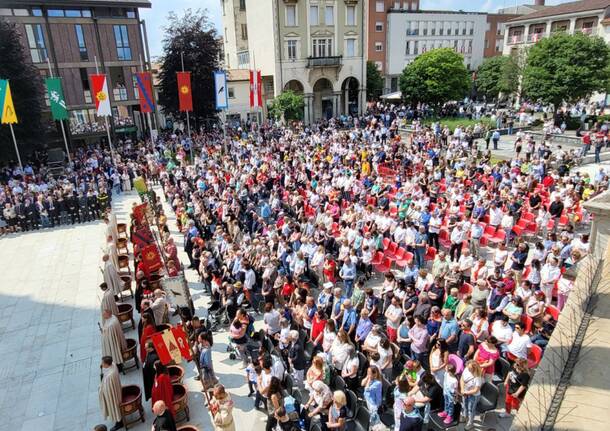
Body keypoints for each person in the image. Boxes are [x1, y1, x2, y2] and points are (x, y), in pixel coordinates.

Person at [98, 356, 123, 431]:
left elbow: (107, 388)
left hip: (112, 394)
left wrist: (101, 390)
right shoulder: (113, 365)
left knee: (114, 407)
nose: (101, 364)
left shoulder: (110, 375)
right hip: (116, 390)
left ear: (106, 364)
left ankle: (119, 422)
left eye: (103, 363)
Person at [460, 361, 483, 430]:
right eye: (467, 367)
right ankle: (464, 416)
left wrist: (465, 393)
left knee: (471, 410)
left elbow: (476, 390)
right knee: (464, 405)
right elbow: (462, 379)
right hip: (465, 392)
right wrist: (462, 389)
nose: (467, 368)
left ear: (474, 369)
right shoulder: (466, 369)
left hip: (473, 396)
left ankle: (470, 423)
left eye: (469, 368)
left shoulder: (478, 378)